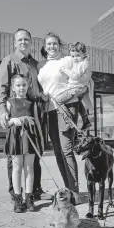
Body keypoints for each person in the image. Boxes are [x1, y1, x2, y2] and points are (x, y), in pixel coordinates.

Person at [0, 28, 53, 206]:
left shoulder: (36, 64)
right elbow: (1, 88)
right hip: (16, 112)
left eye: (26, 40)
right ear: (15, 42)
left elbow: (39, 88)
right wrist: (3, 110)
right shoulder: (9, 61)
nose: (23, 42)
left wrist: (43, 96)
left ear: (30, 42)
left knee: (34, 152)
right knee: (17, 154)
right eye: (20, 40)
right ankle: (16, 194)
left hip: (34, 112)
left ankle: (34, 190)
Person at [37, 32, 82, 197]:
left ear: (59, 45)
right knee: (58, 152)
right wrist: (42, 95)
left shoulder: (67, 60)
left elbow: (80, 82)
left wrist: (67, 98)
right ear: (44, 47)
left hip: (65, 109)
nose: (52, 46)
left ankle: (74, 192)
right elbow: (42, 88)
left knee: (66, 150)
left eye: (55, 43)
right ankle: (68, 188)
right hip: (49, 111)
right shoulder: (40, 65)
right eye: (48, 44)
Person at [4, 75, 44, 213]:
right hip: (16, 136)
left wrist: (40, 140)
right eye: (18, 85)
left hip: (30, 136)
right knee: (16, 168)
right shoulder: (10, 102)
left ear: (28, 86)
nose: (21, 88)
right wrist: (14, 120)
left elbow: (37, 121)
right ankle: (17, 199)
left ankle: (29, 198)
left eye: (24, 85)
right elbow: (4, 123)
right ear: (13, 88)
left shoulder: (31, 103)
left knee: (29, 168)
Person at [55, 42, 93, 130]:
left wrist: (64, 69)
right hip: (79, 89)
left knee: (57, 101)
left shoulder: (82, 64)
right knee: (78, 102)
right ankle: (86, 120)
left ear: (84, 54)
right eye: (73, 56)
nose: (75, 59)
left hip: (75, 89)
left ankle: (68, 120)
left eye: (77, 56)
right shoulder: (83, 62)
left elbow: (75, 76)